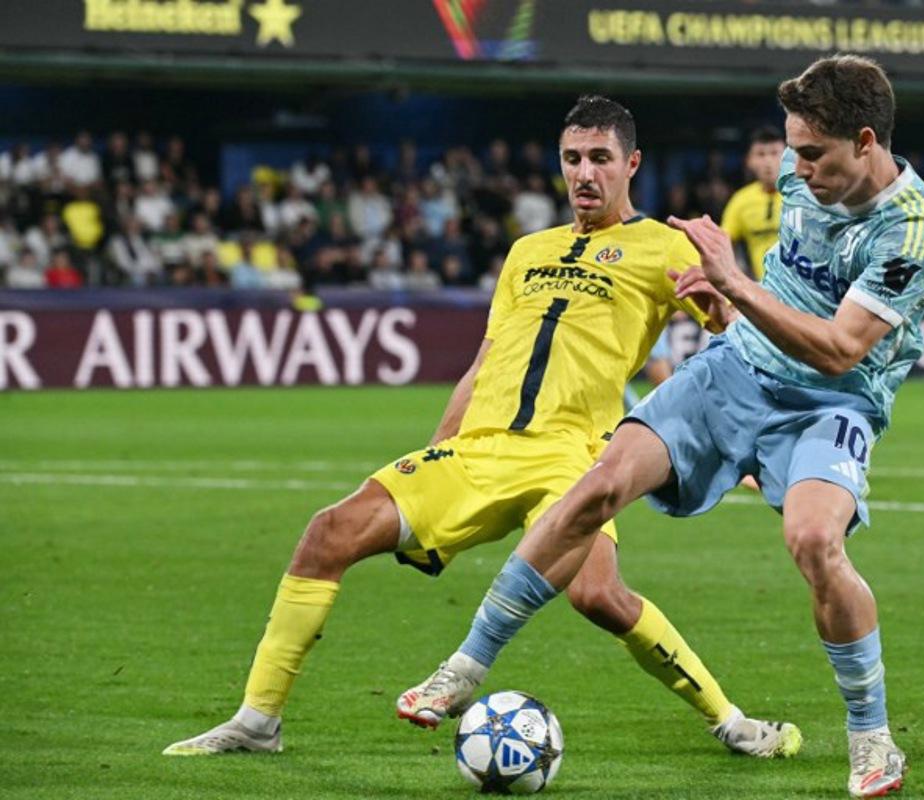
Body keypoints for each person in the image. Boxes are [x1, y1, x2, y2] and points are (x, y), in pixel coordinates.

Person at [163, 96, 800, 759]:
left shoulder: (665, 246)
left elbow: (744, 342)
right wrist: (440, 450)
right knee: (329, 532)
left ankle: (731, 721)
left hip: (573, 455)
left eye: (600, 159)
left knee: (598, 595)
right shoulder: (528, 250)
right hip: (479, 450)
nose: (584, 174)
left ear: (631, 163)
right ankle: (256, 721)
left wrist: (724, 309)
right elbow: (484, 361)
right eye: (572, 159)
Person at [403, 56, 924, 798]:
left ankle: (872, 737)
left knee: (816, 542)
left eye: (811, 153)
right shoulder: (798, 177)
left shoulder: (916, 228)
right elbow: (754, 297)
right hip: (733, 373)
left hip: (833, 399)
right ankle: (464, 668)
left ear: (865, 142)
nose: (792, 168)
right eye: (790, 148)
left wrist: (732, 282)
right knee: (596, 488)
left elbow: (840, 349)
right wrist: (723, 294)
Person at [721, 126, 787, 281]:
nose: (768, 161)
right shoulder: (740, 201)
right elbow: (722, 243)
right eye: (761, 154)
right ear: (748, 161)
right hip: (762, 290)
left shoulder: (804, 195)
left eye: (774, 153)